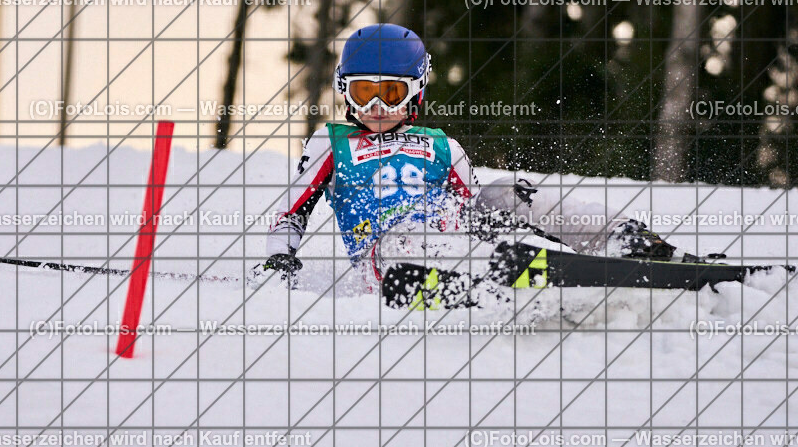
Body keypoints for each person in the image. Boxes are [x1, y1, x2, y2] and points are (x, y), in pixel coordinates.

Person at [253, 23, 674, 289]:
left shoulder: (442, 145)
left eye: (391, 92)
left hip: (458, 242)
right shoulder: (332, 143)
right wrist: (279, 257)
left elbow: (473, 209)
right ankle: (483, 276)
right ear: (346, 91)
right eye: (365, 91)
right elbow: (293, 212)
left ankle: (625, 240)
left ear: (416, 91)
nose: (377, 105)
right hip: (389, 259)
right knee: (408, 236)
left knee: (511, 192)